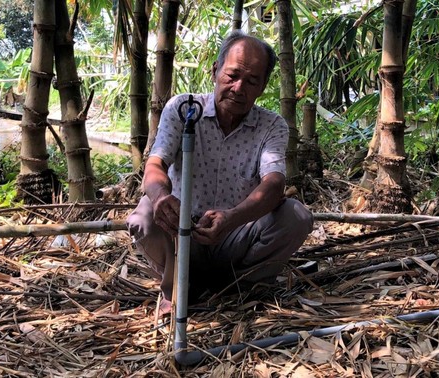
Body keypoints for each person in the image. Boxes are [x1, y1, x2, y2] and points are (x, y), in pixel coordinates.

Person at [127, 30, 313, 309]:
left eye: (251, 81)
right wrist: (161, 197)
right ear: (215, 71)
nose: (239, 88)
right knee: (143, 216)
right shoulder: (183, 109)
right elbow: (155, 165)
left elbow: (274, 185)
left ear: (263, 87)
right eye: (232, 75)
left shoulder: (271, 126)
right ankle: (178, 285)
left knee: (296, 215)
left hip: (237, 237)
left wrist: (232, 218)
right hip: (181, 236)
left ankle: (244, 287)